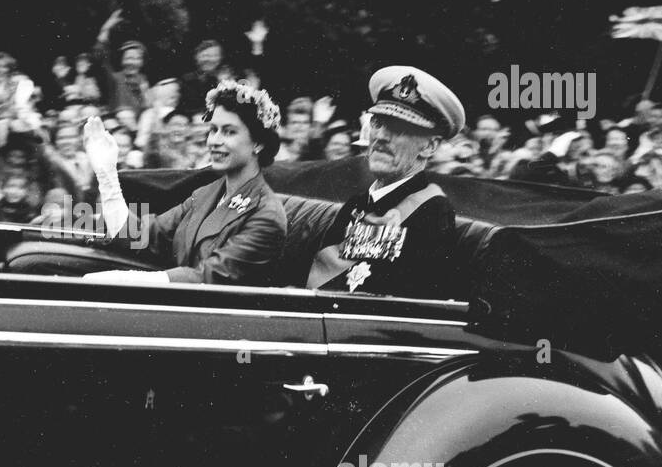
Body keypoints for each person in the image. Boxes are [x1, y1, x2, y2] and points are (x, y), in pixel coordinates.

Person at [81, 79, 287, 287]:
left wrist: (123, 279)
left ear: (258, 143)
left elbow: (208, 278)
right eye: (213, 129)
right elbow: (139, 235)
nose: (214, 141)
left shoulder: (266, 214)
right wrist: (107, 175)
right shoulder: (205, 195)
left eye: (229, 131)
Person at [305, 66, 465, 299]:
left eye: (398, 128)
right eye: (378, 123)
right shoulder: (356, 205)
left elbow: (410, 310)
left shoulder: (431, 214)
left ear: (429, 146)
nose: (380, 136)